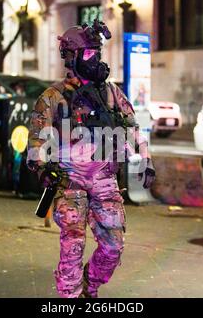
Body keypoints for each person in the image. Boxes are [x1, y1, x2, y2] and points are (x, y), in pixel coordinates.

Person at [27, 20, 155, 298]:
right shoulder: (54, 97)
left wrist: (146, 158)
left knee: (113, 246)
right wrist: (43, 169)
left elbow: (132, 126)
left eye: (97, 52)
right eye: (88, 53)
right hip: (70, 180)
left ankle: (90, 285)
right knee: (72, 245)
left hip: (104, 179)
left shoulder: (110, 92)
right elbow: (36, 142)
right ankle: (70, 297)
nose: (95, 59)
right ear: (71, 57)